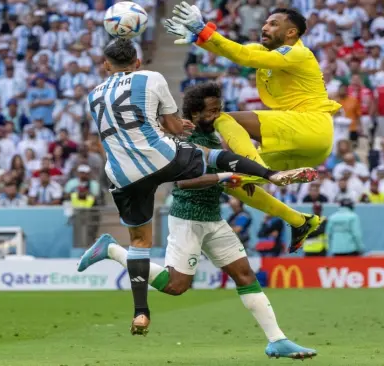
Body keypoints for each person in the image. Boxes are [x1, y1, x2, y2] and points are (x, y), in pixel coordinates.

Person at [87, 39, 318, 337]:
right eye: (211, 111)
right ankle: (113, 252)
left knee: (239, 272)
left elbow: (127, 127)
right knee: (175, 285)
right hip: (186, 211)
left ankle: (278, 340)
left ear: (106, 65)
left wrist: (244, 178)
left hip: (129, 176)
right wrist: (229, 177)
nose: (216, 115)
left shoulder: (94, 95)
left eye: (219, 109)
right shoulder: (159, 89)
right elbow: (183, 171)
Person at [165, 5, 341, 252]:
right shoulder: (266, 51)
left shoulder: (297, 53)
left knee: (224, 119)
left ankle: (261, 171)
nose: (265, 27)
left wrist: (203, 29)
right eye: (266, 22)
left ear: (291, 32)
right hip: (312, 145)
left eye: (273, 24)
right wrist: (199, 38)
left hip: (310, 125)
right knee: (232, 182)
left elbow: (245, 58)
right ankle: (300, 221)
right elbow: (232, 50)